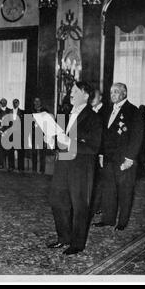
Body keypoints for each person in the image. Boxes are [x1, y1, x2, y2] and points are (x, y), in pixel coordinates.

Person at [47, 81, 102, 255]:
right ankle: (63, 238)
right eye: (71, 90)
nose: (71, 93)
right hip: (63, 162)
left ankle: (77, 244)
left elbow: (93, 147)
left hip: (81, 167)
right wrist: (52, 141)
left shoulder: (93, 118)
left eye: (75, 91)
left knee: (80, 206)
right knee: (57, 200)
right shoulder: (65, 113)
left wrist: (70, 142)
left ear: (86, 95)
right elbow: (60, 138)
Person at [94, 83, 143, 231]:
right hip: (108, 157)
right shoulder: (106, 110)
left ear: (124, 93)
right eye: (111, 92)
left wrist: (130, 158)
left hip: (124, 159)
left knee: (125, 190)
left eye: (116, 92)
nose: (113, 94)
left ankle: (122, 221)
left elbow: (137, 136)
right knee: (109, 190)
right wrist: (101, 153)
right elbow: (102, 134)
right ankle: (108, 219)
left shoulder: (133, 111)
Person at [7, 99, 25, 172]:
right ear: (12, 103)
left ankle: (20, 167)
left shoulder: (23, 112)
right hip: (11, 134)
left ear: (19, 103)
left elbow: (24, 124)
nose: (15, 104)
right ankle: (11, 167)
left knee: (20, 152)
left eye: (16, 102)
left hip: (19, 134)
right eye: (14, 102)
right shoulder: (9, 112)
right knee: (10, 151)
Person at [31, 97, 48, 174]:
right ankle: (34, 169)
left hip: (42, 134)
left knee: (42, 154)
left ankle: (42, 170)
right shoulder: (31, 111)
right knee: (34, 153)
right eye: (35, 101)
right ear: (34, 102)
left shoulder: (45, 111)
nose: (37, 103)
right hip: (33, 134)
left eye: (38, 101)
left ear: (41, 102)